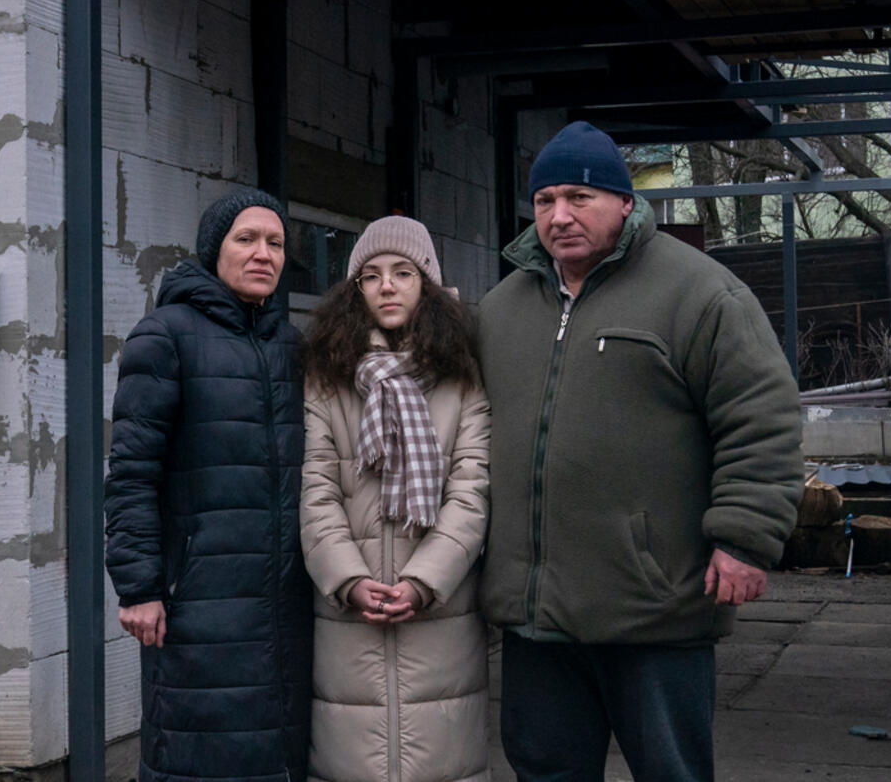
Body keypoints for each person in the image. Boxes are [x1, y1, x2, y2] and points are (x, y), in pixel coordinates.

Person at [477, 121, 803, 782]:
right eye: (545, 201)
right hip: (537, 615)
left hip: (654, 605)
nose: (560, 215)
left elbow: (761, 418)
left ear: (627, 202)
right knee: (543, 769)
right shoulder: (500, 310)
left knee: (671, 771)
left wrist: (744, 537)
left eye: (580, 197)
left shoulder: (700, 293)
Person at [105, 188, 311, 782]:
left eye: (274, 243)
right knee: (196, 758)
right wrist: (138, 584)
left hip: (284, 606)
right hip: (197, 601)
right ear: (212, 251)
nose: (262, 254)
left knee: (277, 758)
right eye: (245, 239)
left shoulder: (292, 347)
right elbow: (132, 472)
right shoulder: (164, 336)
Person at [299, 217, 492, 782]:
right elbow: (317, 491)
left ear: (427, 284)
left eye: (402, 273)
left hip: (442, 609)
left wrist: (424, 580)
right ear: (354, 291)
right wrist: (349, 579)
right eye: (371, 276)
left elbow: (472, 488)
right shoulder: (328, 377)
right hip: (347, 615)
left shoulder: (462, 377)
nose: (387, 286)